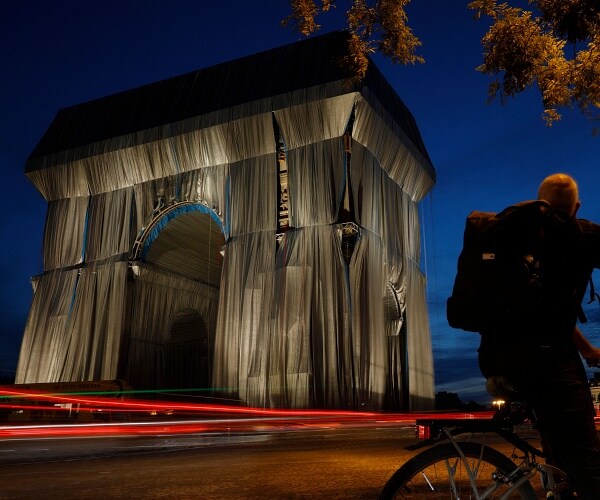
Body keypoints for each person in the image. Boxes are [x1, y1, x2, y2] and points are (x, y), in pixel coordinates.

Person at [477, 173, 600, 498]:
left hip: (496, 360)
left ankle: (556, 486)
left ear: (539, 202)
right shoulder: (581, 235)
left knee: (559, 450)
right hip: (548, 363)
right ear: (576, 206)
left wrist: (587, 349)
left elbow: (546, 313)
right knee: (589, 464)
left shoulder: (509, 238)